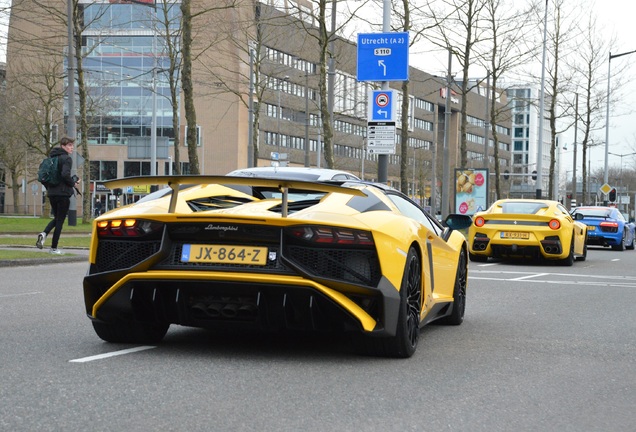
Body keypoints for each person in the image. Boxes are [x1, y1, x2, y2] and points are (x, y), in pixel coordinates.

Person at [36, 137, 80, 254]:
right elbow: (65, 175)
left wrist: (51, 189)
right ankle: (53, 248)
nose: (72, 148)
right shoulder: (66, 159)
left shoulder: (52, 158)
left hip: (52, 193)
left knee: (57, 218)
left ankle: (44, 233)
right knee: (60, 221)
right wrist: (73, 183)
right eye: (69, 145)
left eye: (72, 145)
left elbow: (46, 177)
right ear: (63, 146)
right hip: (63, 194)